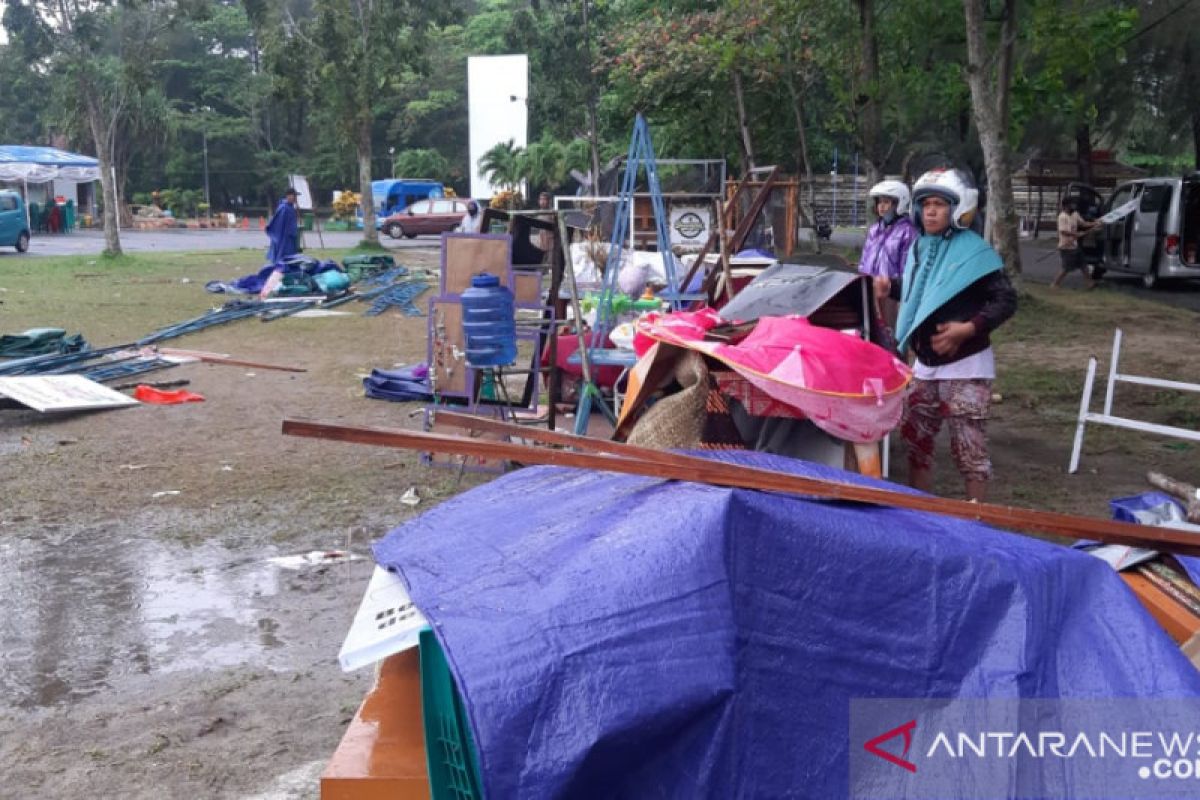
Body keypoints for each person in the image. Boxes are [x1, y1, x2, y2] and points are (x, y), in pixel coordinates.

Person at [874, 168, 1017, 502]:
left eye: (939, 204)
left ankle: (976, 518)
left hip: (966, 366)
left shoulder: (974, 251)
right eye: (926, 205)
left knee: (969, 446)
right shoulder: (921, 248)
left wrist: (966, 330)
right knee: (915, 437)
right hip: (926, 365)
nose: (931, 211)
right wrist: (890, 286)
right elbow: (921, 292)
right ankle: (920, 512)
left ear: (958, 209)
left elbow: (1005, 299)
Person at [859, 179, 918, 342]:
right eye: (879, 202)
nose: (882, 207)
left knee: (891, 338)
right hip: (871, 288)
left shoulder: (908, 232)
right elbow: (865, 259)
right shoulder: (874, 230)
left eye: (887, 202)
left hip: (891, 294)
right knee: (869, 335)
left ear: (899, 203)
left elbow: (907, 268)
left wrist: (898, 290)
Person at [1052, 197, 1100, 289]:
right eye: (1072, 204)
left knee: (1083, 265)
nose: (1074, 206)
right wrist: (1076, 234)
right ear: (1066, 206)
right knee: (1066, 268)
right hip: (1066, 246)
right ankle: (1055, 284)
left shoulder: (1075, 214)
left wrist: (1095, 223)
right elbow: (1063, 231)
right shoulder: (1062, 217)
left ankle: (1090, 284)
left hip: (1075, 246)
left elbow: (1083, 224)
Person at [265, 187, 300, 264]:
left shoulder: (291, 207)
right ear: (288, 196)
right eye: (294, 196)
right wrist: (280, 237)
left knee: (291, 259)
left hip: (291, 238)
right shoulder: (284, 208)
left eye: (295, 196)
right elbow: (278, 224)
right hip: (284, 238)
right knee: (283, 259)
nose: (295, 198)